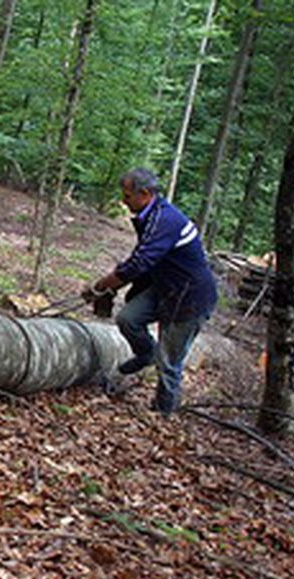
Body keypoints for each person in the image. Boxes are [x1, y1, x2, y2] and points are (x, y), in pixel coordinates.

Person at [83, 168, 217, 414]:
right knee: (128, 319)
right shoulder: (151, 215)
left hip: (190, 298)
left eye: (127, 195)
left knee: (169, 364)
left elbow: (140, 263)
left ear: (144, 193)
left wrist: (103, 285)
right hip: (166, 289)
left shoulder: (165, 220)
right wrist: (111, 286)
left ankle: (163, 413)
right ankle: (146, 353)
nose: (124, 201)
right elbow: (142, 260)